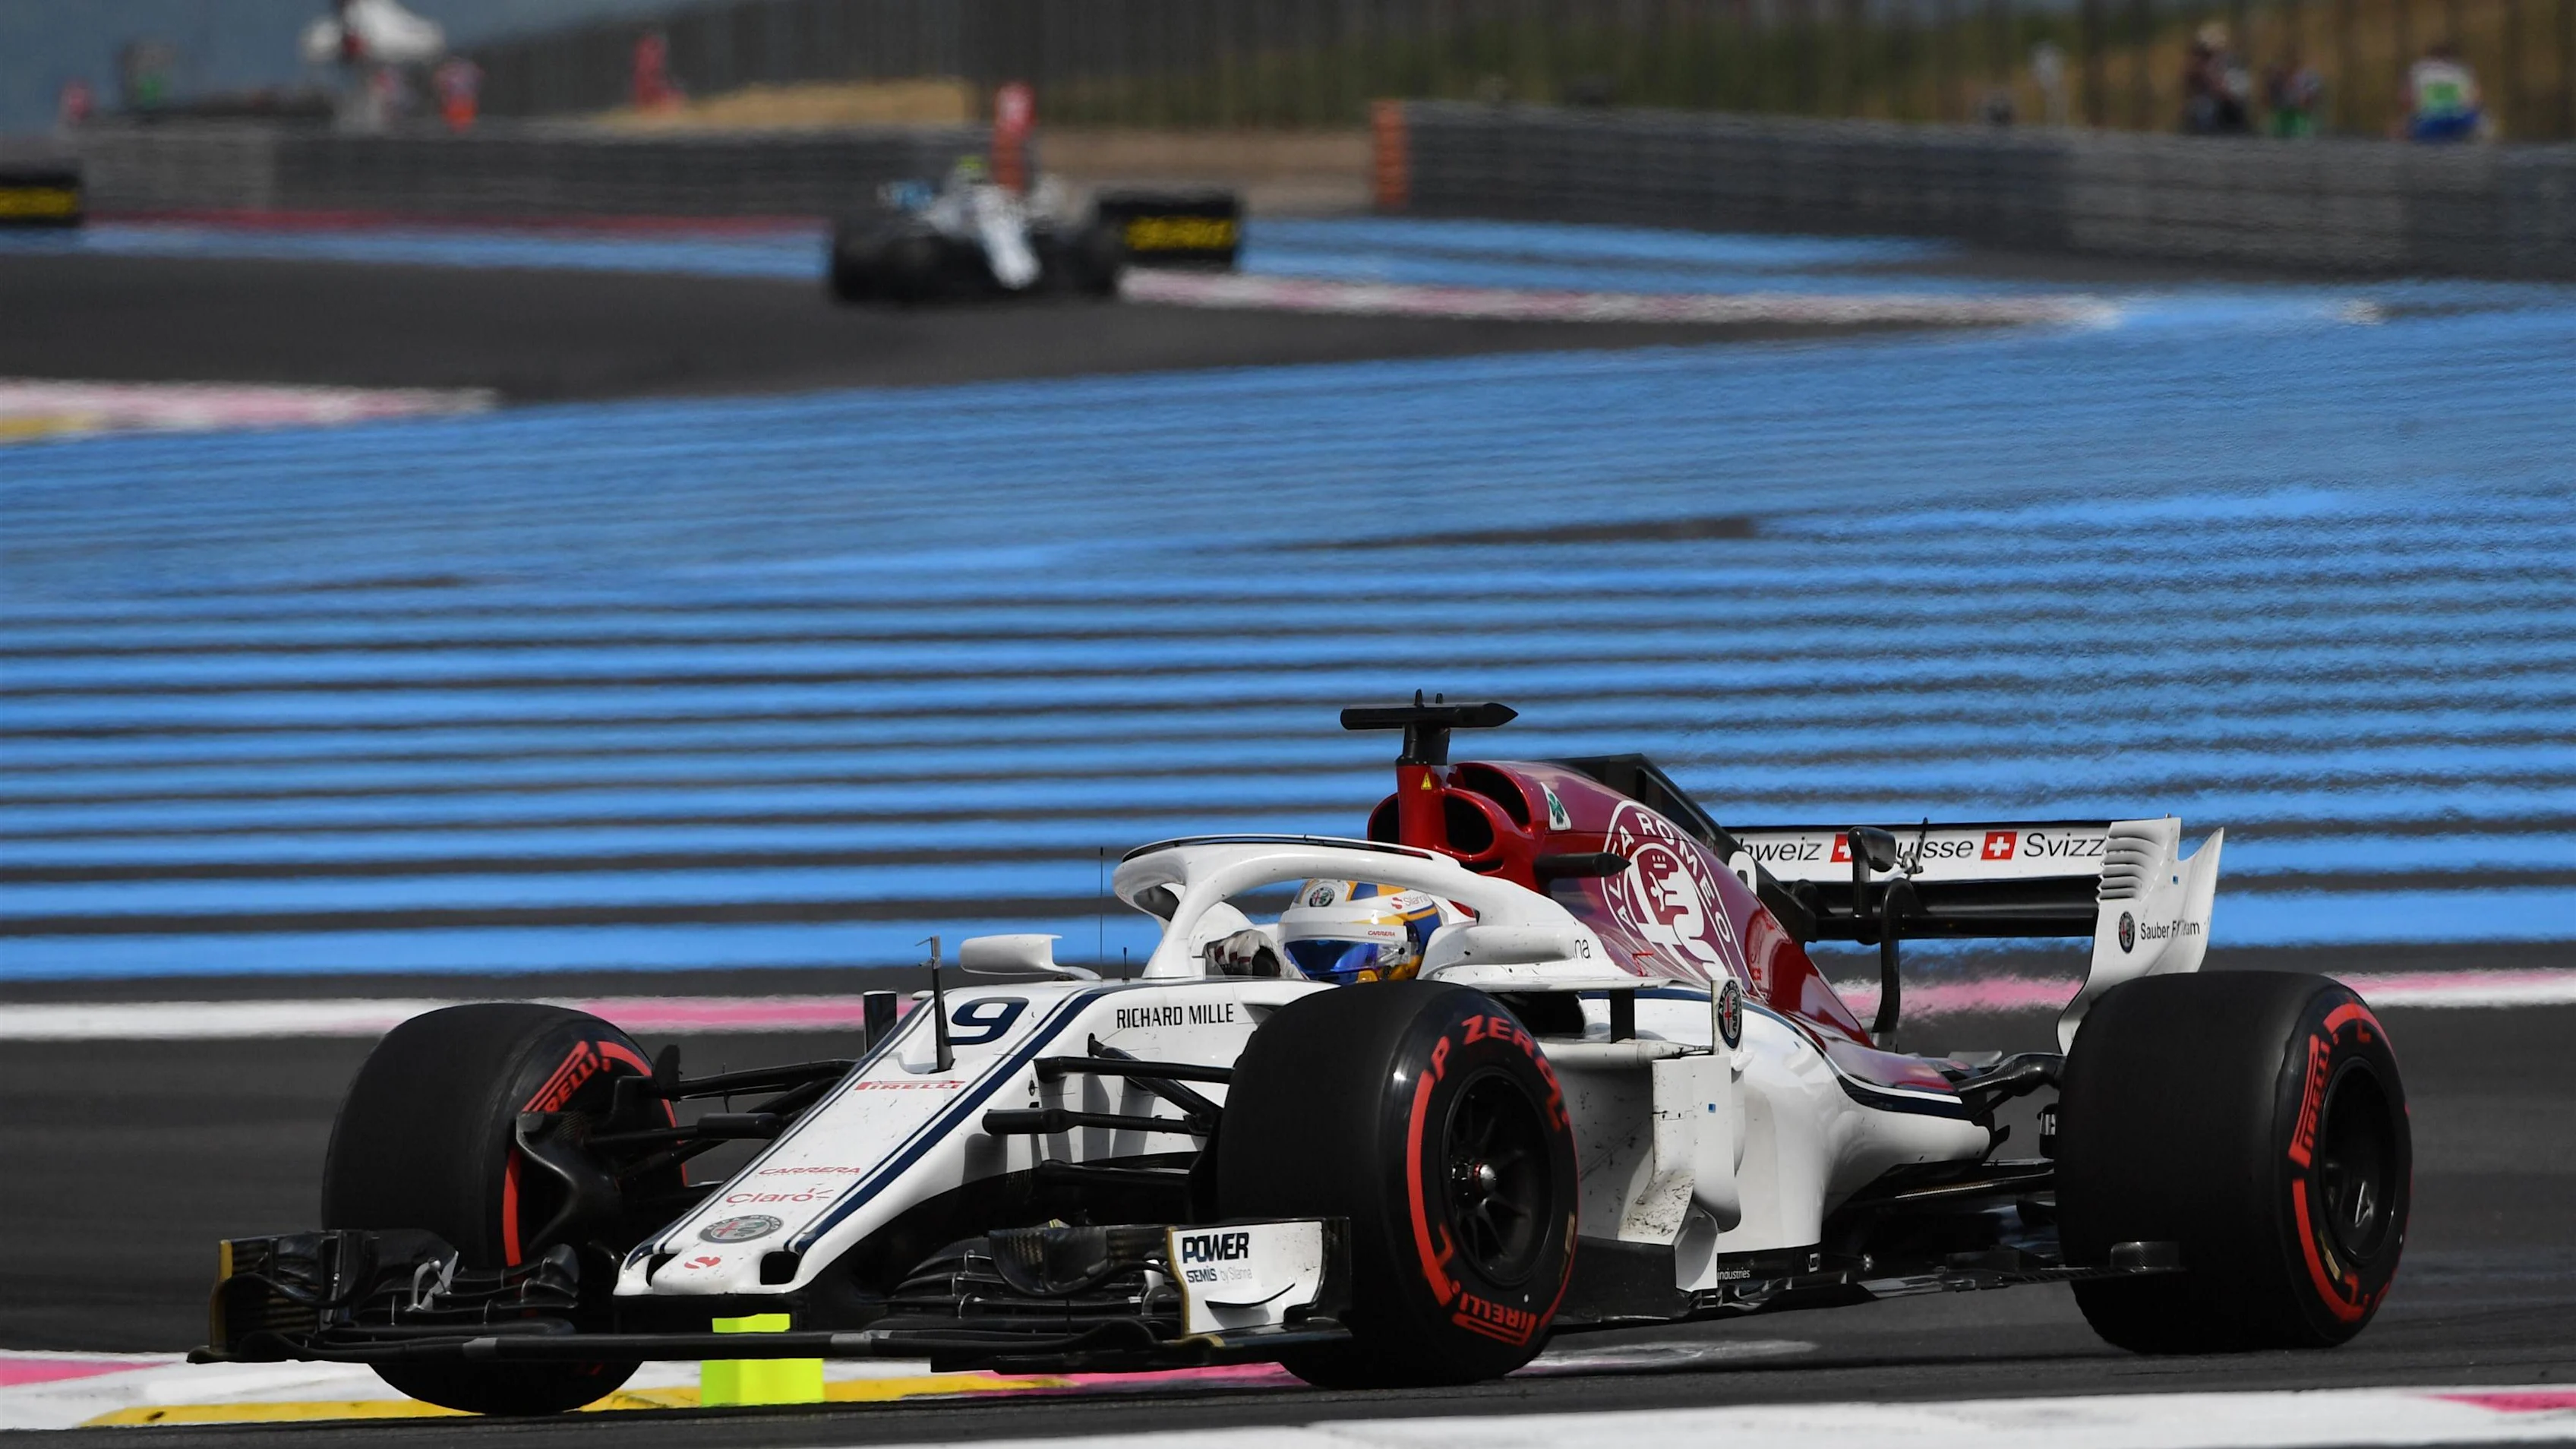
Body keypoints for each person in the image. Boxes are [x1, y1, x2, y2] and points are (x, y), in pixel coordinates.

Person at [2404, 42, 2486, 141]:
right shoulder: (2462, 70)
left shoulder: (2420, 69)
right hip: (2461, 119)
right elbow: (2476, 98)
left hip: (2429, 121)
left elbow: (2408, 98)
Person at [2181, 23, 2252, 134]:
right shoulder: (2201, 69)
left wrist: (2213, 80)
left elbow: (2236, 94)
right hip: (2206, 120)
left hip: (2229, 118)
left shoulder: (2231, 64)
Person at [2264, 49, 2323, 137]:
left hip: (2298, 110)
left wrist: (2304, 99)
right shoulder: (2279, 79)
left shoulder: (2305, 77)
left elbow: (2308, 94)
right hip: (2284, 109)